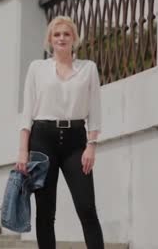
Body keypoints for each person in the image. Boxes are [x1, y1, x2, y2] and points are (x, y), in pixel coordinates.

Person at [15, 15, 104, 249]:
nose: (61, 38)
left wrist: (91, 145)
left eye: (66, 34)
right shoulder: (37, 68)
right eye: (57, 34)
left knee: (86, 208)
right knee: (45, 212)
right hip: (42, 141)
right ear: (50, 40)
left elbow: (95, 111)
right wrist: (23, 151)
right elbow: (27, 113)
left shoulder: (88, 69)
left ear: (74, 38)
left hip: (76, 141)